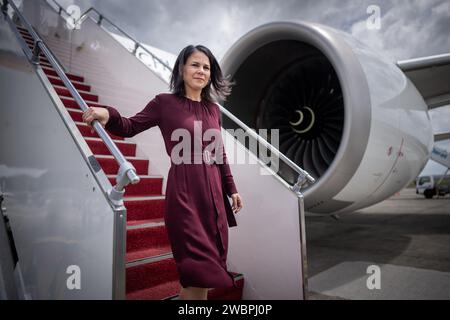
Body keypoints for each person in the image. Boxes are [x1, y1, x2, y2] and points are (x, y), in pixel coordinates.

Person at [82, 45, 243, 300]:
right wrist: (108, 113)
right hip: (185, 195)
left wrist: (231, 188)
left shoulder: (213, 109)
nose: (201, 71)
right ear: (182, 69)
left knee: (202, 280)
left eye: (206, 67)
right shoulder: (164, 103)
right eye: (195, 65)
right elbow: (130, 126)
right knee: (195, 272)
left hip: (213, 199)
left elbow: (219, 152)